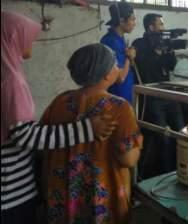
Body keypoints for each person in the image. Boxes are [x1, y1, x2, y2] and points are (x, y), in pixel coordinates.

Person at [1, 12, 115, 223]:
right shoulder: (11, 80)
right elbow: (23, 135)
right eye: (28, 37)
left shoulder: (59, 100)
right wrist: (87, 129)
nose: (32, 43)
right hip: (11, 191)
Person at [40, 43, 142, 223]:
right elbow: (128, 159)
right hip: (102, 196)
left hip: (63, 194)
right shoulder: (120, 107)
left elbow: (44, 141)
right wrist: (138, 143)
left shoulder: (60, 101)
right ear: (106, 74)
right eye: (115, 65)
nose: (118, 68)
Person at [132, 14, 184, 178]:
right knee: (163, 137)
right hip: (152, 97)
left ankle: (180, 169)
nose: (163, 27)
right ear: (151, 27)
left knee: (182, 132)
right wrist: (156, 51)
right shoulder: (139, 44)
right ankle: (164, 175)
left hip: (168, 94)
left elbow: (171, 66)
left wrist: (168, 50)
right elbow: (144, 67)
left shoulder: (166, 43)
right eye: (160, 24)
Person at [100, 3, 137, 103]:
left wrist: (130, 58)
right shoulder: (111, 41)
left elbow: (126, 66)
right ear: (121, 21)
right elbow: (120, 78)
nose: (134, 23)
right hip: (117, 97)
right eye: (132, 19)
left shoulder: (120, 38)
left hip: (126, 94)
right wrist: (129, 58)